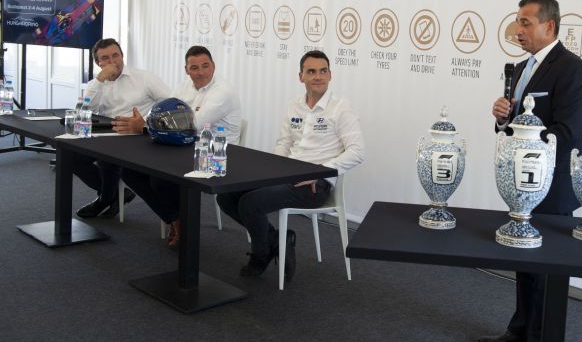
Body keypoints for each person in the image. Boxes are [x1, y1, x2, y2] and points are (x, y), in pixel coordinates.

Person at [481, 0, 582, 342]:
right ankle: (519, 331)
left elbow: (567, 133)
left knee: (544, 271)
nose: (518, 30)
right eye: (517, 22)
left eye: (526, 22)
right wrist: (503, 117)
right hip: (522, 185)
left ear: (550, 26)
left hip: (552, 186)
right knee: (524, 263)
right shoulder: (521, 68)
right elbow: (514, 125)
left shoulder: (572, 69)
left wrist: (525, 142)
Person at [217, 50, 365, 282]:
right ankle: (276, 240)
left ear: (330, 74)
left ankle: (261, 254)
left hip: (316, 185)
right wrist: (274, 171)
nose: (318, 76)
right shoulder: (294, 105)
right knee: (226, 196)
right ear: (301, 76)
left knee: (251, 203)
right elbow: (284, 143)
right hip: (286, 175)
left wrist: (320, 172)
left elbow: (357, 152)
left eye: (323, 71)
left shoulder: (341, 108)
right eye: (311, 71)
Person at [112, 45, 242, 246]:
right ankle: (175, 218)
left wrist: (144, 126)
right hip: (183, 145)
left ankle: (182, 224)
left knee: (160, 179)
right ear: (186, 70)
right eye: (194, 68)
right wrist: (146, 121)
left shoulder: (223, 91)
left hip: (215, 154)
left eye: (205, 66)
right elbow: (164, 112)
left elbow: (192, 124)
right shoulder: (184, 86)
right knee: (130, 172)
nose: (200, 72)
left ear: (214, 66)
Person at [74, 38, 170, 218]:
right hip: (105, 134)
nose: (112, 62)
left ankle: (105, 199)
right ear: (98, 63)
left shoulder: (144, 78)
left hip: (135, 136)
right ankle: (114, 193)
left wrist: (145, 123)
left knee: (107, 158)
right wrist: (99, 80)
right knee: (71, 155)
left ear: (122, 56)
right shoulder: (97, 83)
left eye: (115, 55)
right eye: (105, 58)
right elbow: (82, 111)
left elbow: (171, 105)